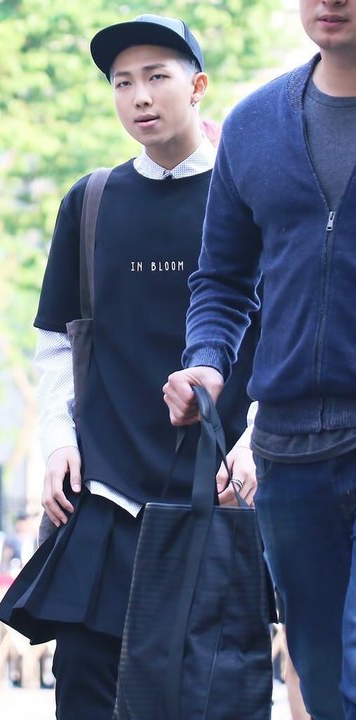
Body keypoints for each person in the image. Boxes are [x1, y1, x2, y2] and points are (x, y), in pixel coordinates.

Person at [0, 14, 260, 720]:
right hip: (106, 499)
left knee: (207, 698)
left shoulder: (250, 195)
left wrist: (255, 445)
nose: (139, 96)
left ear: (198, 86)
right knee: (86, 690)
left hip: (216, 500)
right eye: (122, 82)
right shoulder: (91, 202)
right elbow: (57, 339)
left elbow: (287, 334)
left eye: (157, 77)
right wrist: (57, 443)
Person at [163, 1, 356, 718]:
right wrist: (208, 363)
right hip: (289, 457)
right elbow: (222, 278)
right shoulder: (254, 125)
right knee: (322, 679)